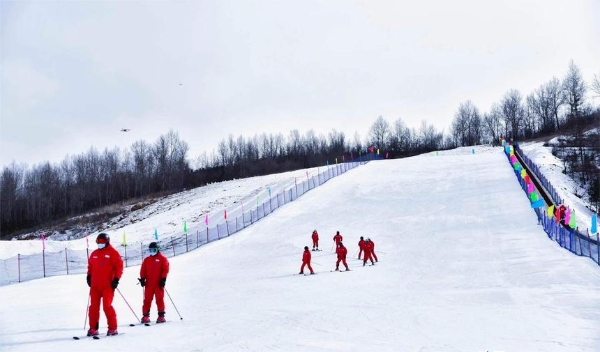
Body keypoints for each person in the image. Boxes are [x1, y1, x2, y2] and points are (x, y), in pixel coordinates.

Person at [86, 233, 124, 336]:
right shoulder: (94, 254)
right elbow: (90, 267)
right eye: (98, 242)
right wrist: (89, 276)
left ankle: (113, 328)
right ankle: (93, 328)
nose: (100, 244)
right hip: (95, 286)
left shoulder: (113, 253)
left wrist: (116, 279)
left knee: (107, 306)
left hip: (108, 285)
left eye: (102, 242)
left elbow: (119, 267)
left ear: (107, 242)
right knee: (93, 307)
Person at [139, 242, 170, 324]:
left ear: (157, 249)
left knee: (159, 300)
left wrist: (163, 279)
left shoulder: (162, 259)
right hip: (149, 285)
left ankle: (161, 316)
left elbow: (165, 269)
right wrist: (142, 279)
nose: (152, 251)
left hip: (158, 284)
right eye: (150, 250)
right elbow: (143, 270)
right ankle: (145, 316)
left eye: (153, 250)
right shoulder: (147, 260)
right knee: (147, 300)